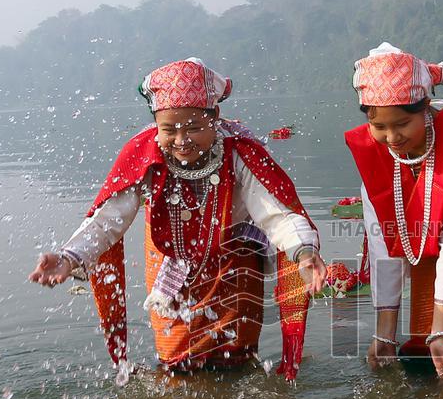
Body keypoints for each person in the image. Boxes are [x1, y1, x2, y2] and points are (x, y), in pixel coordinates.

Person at [28, 58, 325, 381]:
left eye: (194, 128)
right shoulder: (145, 155)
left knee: (236, 357)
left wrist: (303, 252)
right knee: (175, 363)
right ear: (157, 125)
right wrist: (70, 257)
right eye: (169, 130)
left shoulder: (238, 152)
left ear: (215, 117)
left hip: (234, 259)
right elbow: (107, 220)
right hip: (169, 258)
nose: (182, 140)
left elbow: (277, 213)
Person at [345, 43, 443, 378]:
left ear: (426, 107)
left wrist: (441, 331)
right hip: (420, 244)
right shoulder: (375, 151)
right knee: (422, 359)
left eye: (402, 124)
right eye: (379, 126)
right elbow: (384, 242)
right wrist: (384, 333)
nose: (392, 137)